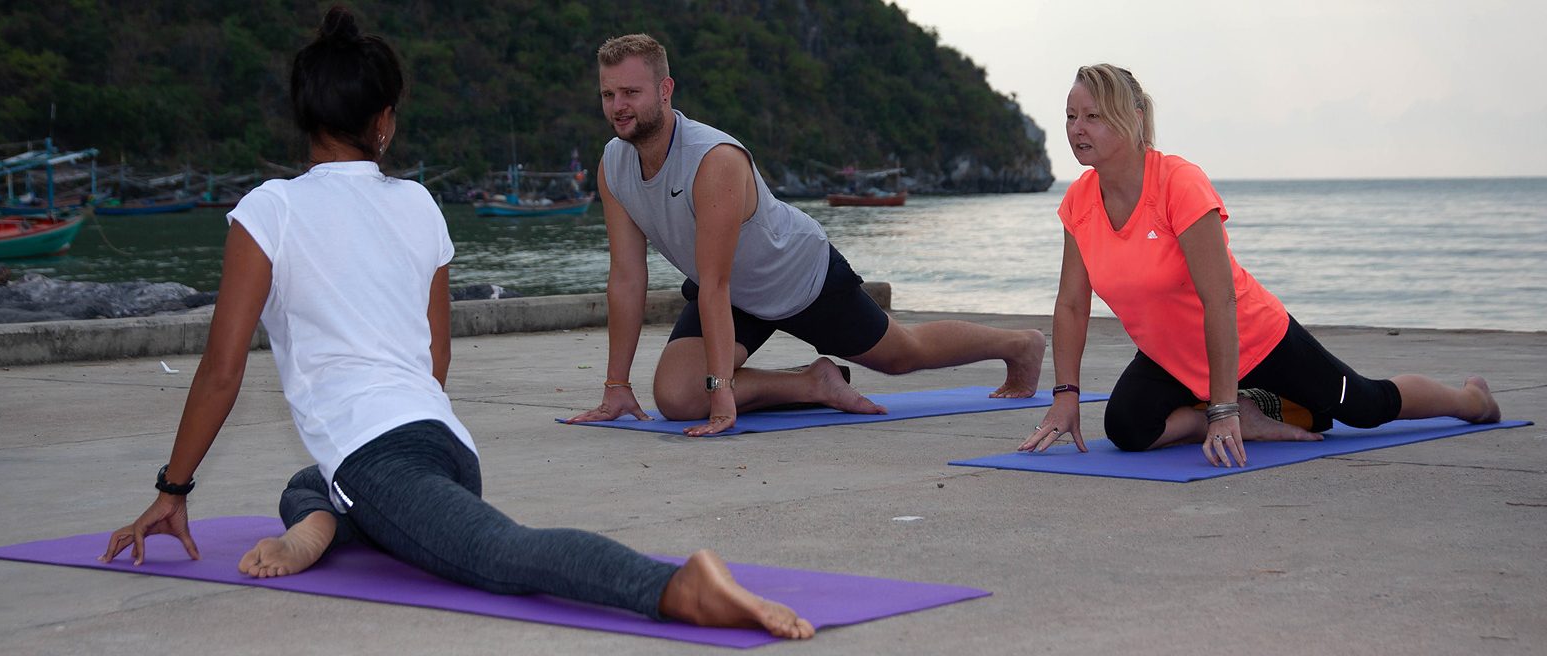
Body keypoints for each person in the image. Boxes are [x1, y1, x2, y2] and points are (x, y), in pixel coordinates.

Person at [96, 8, 813, 640]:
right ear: (383, 122)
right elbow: (434, 359)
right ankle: (322, 517)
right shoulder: (418, 204)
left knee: (502, 554)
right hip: (446, 446)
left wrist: (173, 489)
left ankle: (672, 587)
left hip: (385, 461)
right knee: (306, 484)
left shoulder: (266, 212)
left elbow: (223, 372)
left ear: (303, 114)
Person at [1020, 64, 1501, 467]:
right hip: (1174, 356)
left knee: (1364, 407)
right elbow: (1071, 305)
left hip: (1252, 336)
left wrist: (1223, 405)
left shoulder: (1178, 184)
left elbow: (1220, 299)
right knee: (1127, 428)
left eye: (1093, 117)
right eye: (1070, 116)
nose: (1076, 129)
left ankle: (1470, 401)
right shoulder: (1080, 201)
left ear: (1134, 117)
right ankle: (1247, 416)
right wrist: (1066, 395)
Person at [567, 34, 1047, 437]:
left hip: (798, 277)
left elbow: (713, 283)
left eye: (631, 93)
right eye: (609, 95)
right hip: (735, 296)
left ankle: (1018, 344)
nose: (619, 107)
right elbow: (628, 279)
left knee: (903, 355)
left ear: (665, 89)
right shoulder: (614, 165)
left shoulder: (712, 160)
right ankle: (814, 383)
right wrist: (616, 386)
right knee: (676, 396)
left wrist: (723, 397)